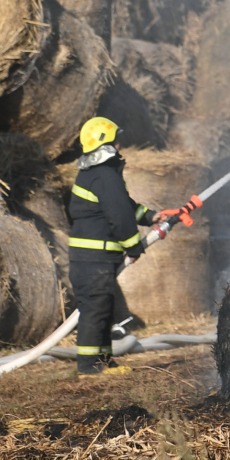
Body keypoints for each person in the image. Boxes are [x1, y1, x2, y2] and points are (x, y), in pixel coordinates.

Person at [67, 116, 156, 376]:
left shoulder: (97, 176)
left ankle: (103, 362)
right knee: (95, 311)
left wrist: (152, 217)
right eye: (117, 141)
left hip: (91, 259)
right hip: (93, 259)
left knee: (102, 308)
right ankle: (89, 366)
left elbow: (123, 205)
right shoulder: (106, 177)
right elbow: (119, 216)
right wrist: (134, 247)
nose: (120, 146)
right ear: (107, 145)